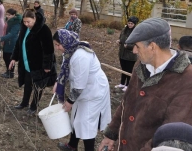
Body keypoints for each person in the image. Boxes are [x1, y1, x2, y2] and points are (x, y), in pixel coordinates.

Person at [98, 18, 192, 151]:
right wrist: (111, 134)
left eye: (137, 46)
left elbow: (170, 138)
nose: (134, 51)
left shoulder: (186, 80)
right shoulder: (141, 65)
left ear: (152, 47)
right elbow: (126, 102)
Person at [53, 29, 111, 151]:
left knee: (86, 123)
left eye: (58, 45)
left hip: (94, 91)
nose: (57, 48)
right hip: (83, 89)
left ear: (66, 42)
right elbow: (66, 70)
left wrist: (69, 102)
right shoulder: (69, 51)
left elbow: (79, 86)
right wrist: (58, 82)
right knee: (76, 117)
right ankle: (72, 146)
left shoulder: (80, 56)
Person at [9, 9, 56, 115]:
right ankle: (24, 103)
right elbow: (19, 43)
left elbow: (49, 49)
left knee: (38, 86)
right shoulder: (24, 28)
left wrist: (47, 65)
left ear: (34, 19)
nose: (26, 24)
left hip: (38, 65)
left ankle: (34, 106)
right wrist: (13, 58)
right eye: (24, 22)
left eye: (28, 22)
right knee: (27, 84)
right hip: (26, 63)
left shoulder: (43, 29)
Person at [115, 16, 139, 92]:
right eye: (129, 23)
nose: (130, 25)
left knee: (128, 70)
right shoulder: (124, 30)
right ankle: (122, 83)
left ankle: (128, 85)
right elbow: (121, 38)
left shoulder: (136, 33)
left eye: (132, 23)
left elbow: (137, 44)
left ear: (134, 24)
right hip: (122, 53)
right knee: (123, 69)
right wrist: (119, 41)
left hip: (130, 55)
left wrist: (129, 46)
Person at [0, 8, 22, 78]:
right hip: (7, 41)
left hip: (12, 42)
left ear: (14, 15)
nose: (7, 16)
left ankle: (11, 73)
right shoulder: (9, 21)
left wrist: (1, 38)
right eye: (7, 14)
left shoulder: (16, 23)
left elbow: (12, 34)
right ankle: (8, 70)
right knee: (5, 57)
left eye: (9, 15)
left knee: (9, 58)